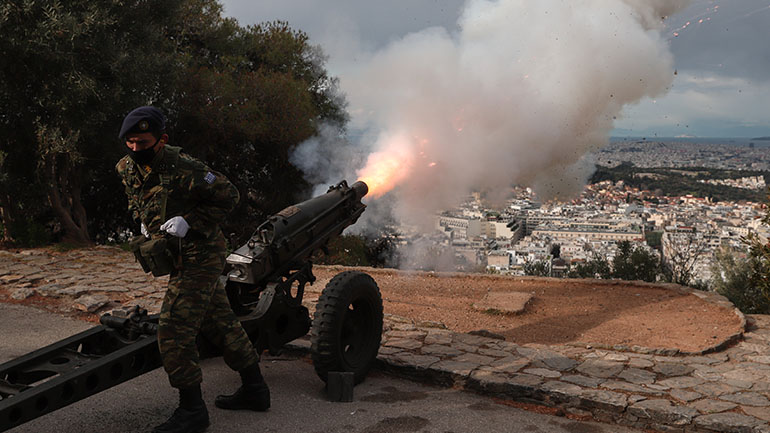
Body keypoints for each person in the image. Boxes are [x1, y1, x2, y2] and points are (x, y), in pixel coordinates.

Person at [116, 106, 270, 433]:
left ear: (161, 140)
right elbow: (138, 197)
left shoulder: (186, 168)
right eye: (130, 142)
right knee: (221, 321)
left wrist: (191, 222)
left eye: (142, 142)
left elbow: (229, 196)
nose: (135, 148)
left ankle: (192, 411)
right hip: (175, 253)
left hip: (202, 253)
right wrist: (145, 222)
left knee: (173, 329)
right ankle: (255, 389)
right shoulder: (126, 167)